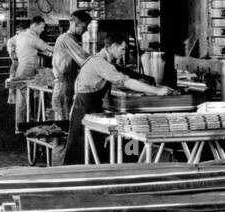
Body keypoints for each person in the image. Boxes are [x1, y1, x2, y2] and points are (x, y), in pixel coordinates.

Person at [62, 33, 172, 165]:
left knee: (92, 150)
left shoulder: (102, 60)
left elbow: (121, 73)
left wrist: (144, 80)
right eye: (122, 49)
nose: (124, 53)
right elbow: (126, 81)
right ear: (113, 46)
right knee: (83, 152)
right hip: (85, 110)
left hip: (89, 108)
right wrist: (158, 91)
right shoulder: (100, 63)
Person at [10, 16, 54, 129]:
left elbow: (10, 42)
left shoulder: (22, 35)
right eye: (41, 27)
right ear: (34, 25)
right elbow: (48, 47)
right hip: (26, 70)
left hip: (23, 68)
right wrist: (62, 48)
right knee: (26, 100)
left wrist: (14, 58)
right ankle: (27, 128)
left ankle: (20, 126)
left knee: (23, 101)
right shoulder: (32, 37)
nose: (43, 29)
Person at [51, 11, 93, 120]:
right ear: (76, 24)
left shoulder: (71, 39)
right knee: (65, 119)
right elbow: (84, 58)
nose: (85, 30)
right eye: (83, 27)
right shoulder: (65, 39)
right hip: (64, 83)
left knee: (67, 116)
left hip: (68, 81)